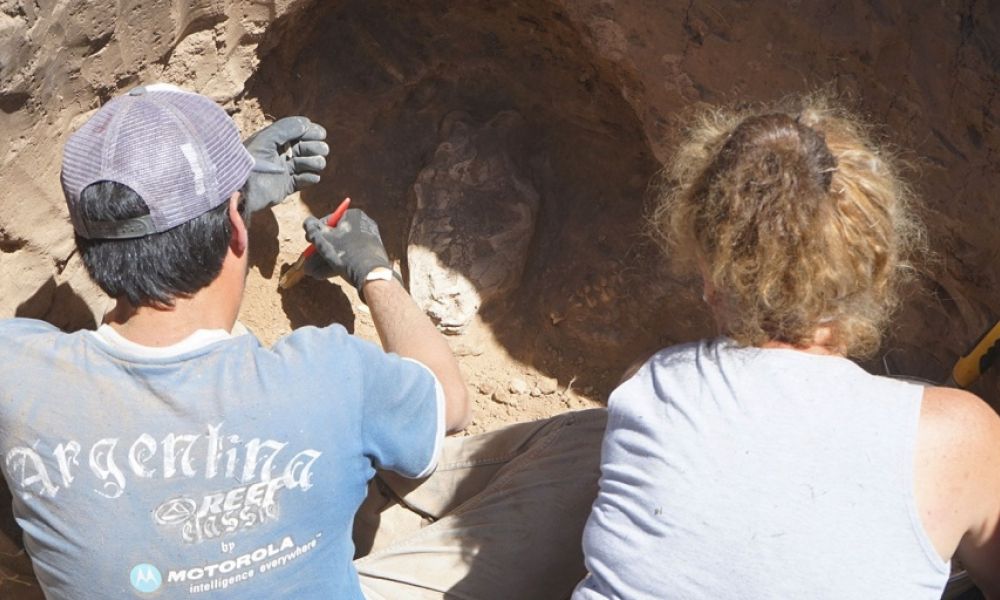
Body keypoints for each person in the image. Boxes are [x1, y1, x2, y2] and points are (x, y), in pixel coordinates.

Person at [0, 83, 605, 600]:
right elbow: (451, 401)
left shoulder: (17, 374)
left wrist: (228, 206)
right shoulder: (328, 376)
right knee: (598, 442)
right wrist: (374, 270)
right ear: (237, 227)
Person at [572, 96, 1000, 599]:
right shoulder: (964, 439)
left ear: (710, 272)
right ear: (877, 268)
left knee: (570, 446)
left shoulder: (650, 386)